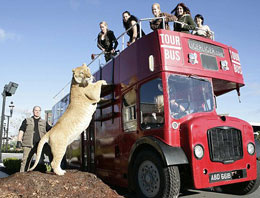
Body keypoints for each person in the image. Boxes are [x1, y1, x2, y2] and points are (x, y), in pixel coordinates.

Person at [16, 106, 52, 172]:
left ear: (40, 112)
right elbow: (21, 131)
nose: (37, 112)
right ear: (33, 111)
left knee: (51, 154)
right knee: (25, 161)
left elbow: (51, 130)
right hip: (29, 145)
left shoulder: (44, 122)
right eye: (36, 110)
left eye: (39, 110)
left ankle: (53, 171)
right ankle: (22, 176)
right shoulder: (27, 120)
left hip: (41, 145)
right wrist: (19, 141)